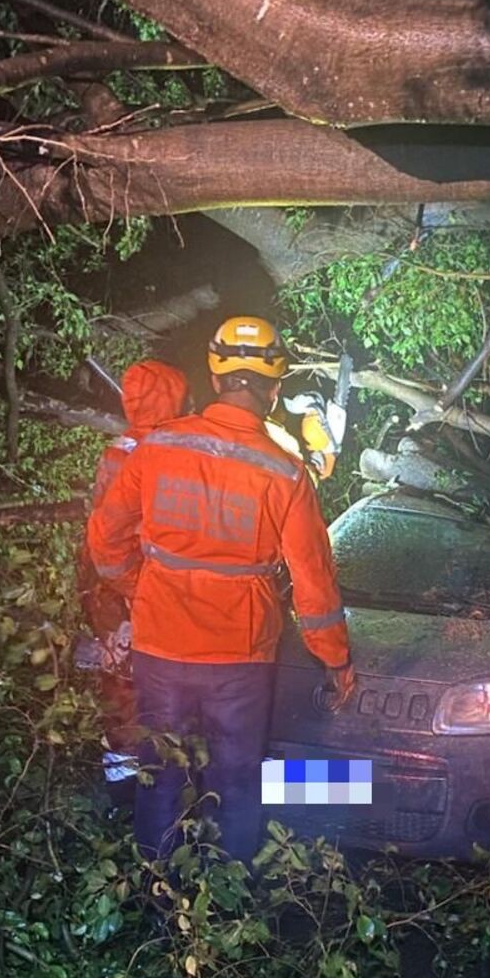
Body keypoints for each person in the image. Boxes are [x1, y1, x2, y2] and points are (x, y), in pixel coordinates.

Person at [86, 316, 356, 868]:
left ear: (214, 379)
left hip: (160, 647)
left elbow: (106, 541)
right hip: (240, 655)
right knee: (237, 781)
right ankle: (231, 912)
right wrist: (336, 658)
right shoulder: (285, 473)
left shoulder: (158, 447)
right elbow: (312, 580)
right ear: (275, 388)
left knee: (159, 777)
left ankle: (158, 902)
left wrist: (144, 589)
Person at [77, 359, 189, 800]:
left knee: (120, 685)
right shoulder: (173, 452)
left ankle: (122, 796)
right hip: (146, 583)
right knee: (161, 686)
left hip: (110, 584)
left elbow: (100, 531)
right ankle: (160, 794)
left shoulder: (117, 451)